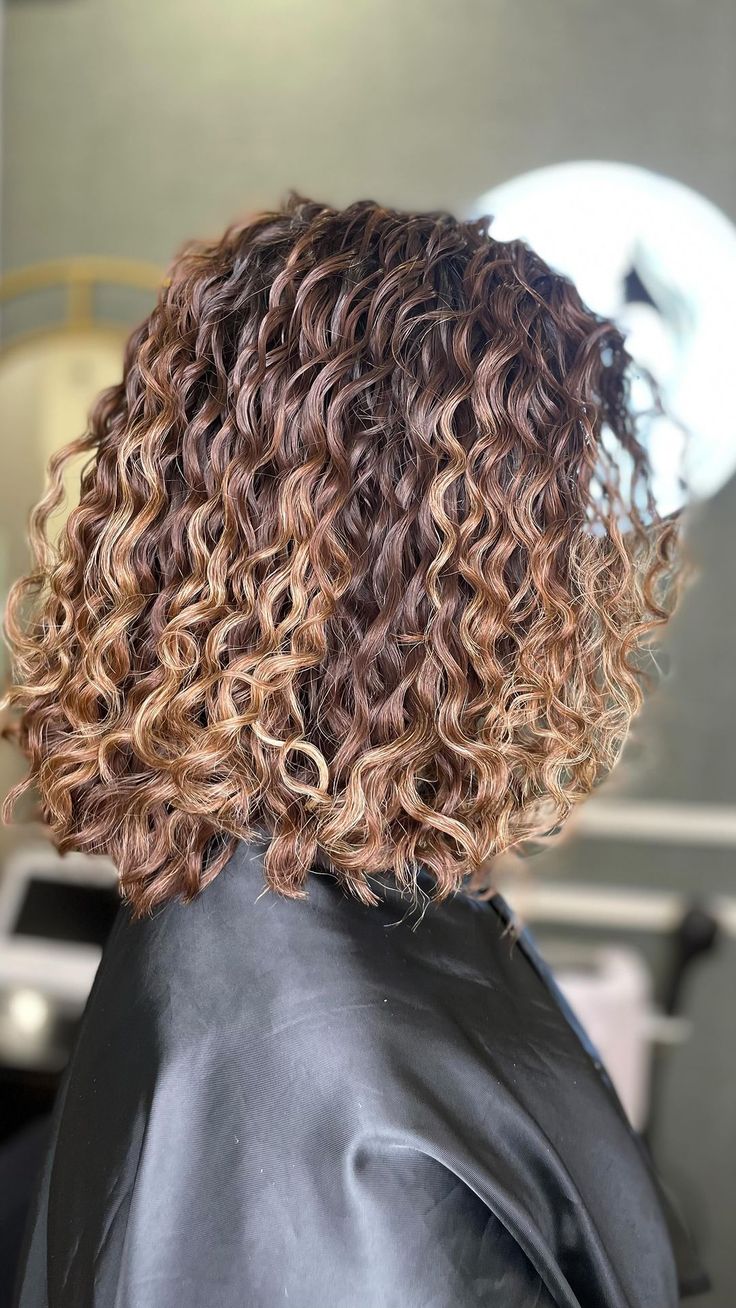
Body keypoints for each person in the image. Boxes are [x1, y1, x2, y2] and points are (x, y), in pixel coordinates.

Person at [3, 196, 707, 1306]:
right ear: (430, 580)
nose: (574, 583)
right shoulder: (339, 1125)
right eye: (542, 529)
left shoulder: (272, 907)